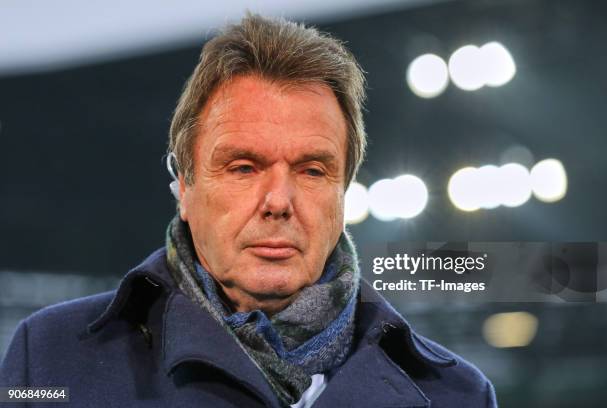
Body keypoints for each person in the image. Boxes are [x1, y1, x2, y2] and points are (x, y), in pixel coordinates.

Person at [0, 13, 497, 407]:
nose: (279, 201)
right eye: (243, 167)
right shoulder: (47, 362)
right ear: (185, 187)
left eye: (312, 171)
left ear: (343, 195)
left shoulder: (456, 394)